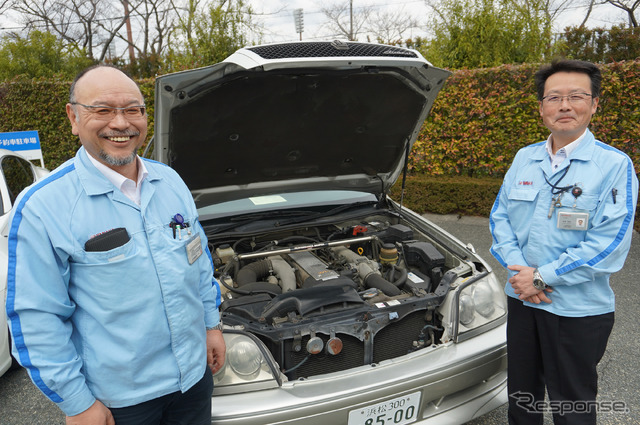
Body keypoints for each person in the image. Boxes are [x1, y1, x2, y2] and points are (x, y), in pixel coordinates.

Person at [5, 65, 226, 425]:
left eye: (133, 110)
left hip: (193, 378)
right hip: (120, 400)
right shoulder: (44, 207)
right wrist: (77, 403)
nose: (121, 123)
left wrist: (211, 324)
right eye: (103, 110)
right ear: (73, 117)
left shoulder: (169, 181)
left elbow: (197, 261)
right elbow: (36, 317)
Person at [490, 59, 638, 425]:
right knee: (521, 397)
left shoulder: (614, 166)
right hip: (523, 300)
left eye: (576, 96)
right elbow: (500, 217)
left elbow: (610, 243)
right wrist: (521, 272)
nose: (565, 105)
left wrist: (541, 277)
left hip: (576, 310)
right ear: (542, 107)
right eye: (554, 97)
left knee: (572, 402)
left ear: (595, 104)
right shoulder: (525, 158)